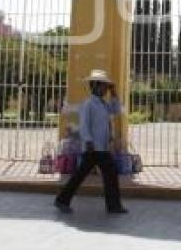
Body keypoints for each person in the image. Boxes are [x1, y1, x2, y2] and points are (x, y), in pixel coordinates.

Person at [54, 69, 127, 214]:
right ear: (95, 86)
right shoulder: (88, 104)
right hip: (93, 147)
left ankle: (63, 200)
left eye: (106, 86)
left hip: (102, 147)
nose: (105, 89)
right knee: (96, 175)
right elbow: (84, 125)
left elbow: (116, 110)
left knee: (104, 175)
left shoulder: (103, 104)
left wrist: (114, 93)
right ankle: (113, 206)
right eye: (104, 86)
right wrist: (88, 141)